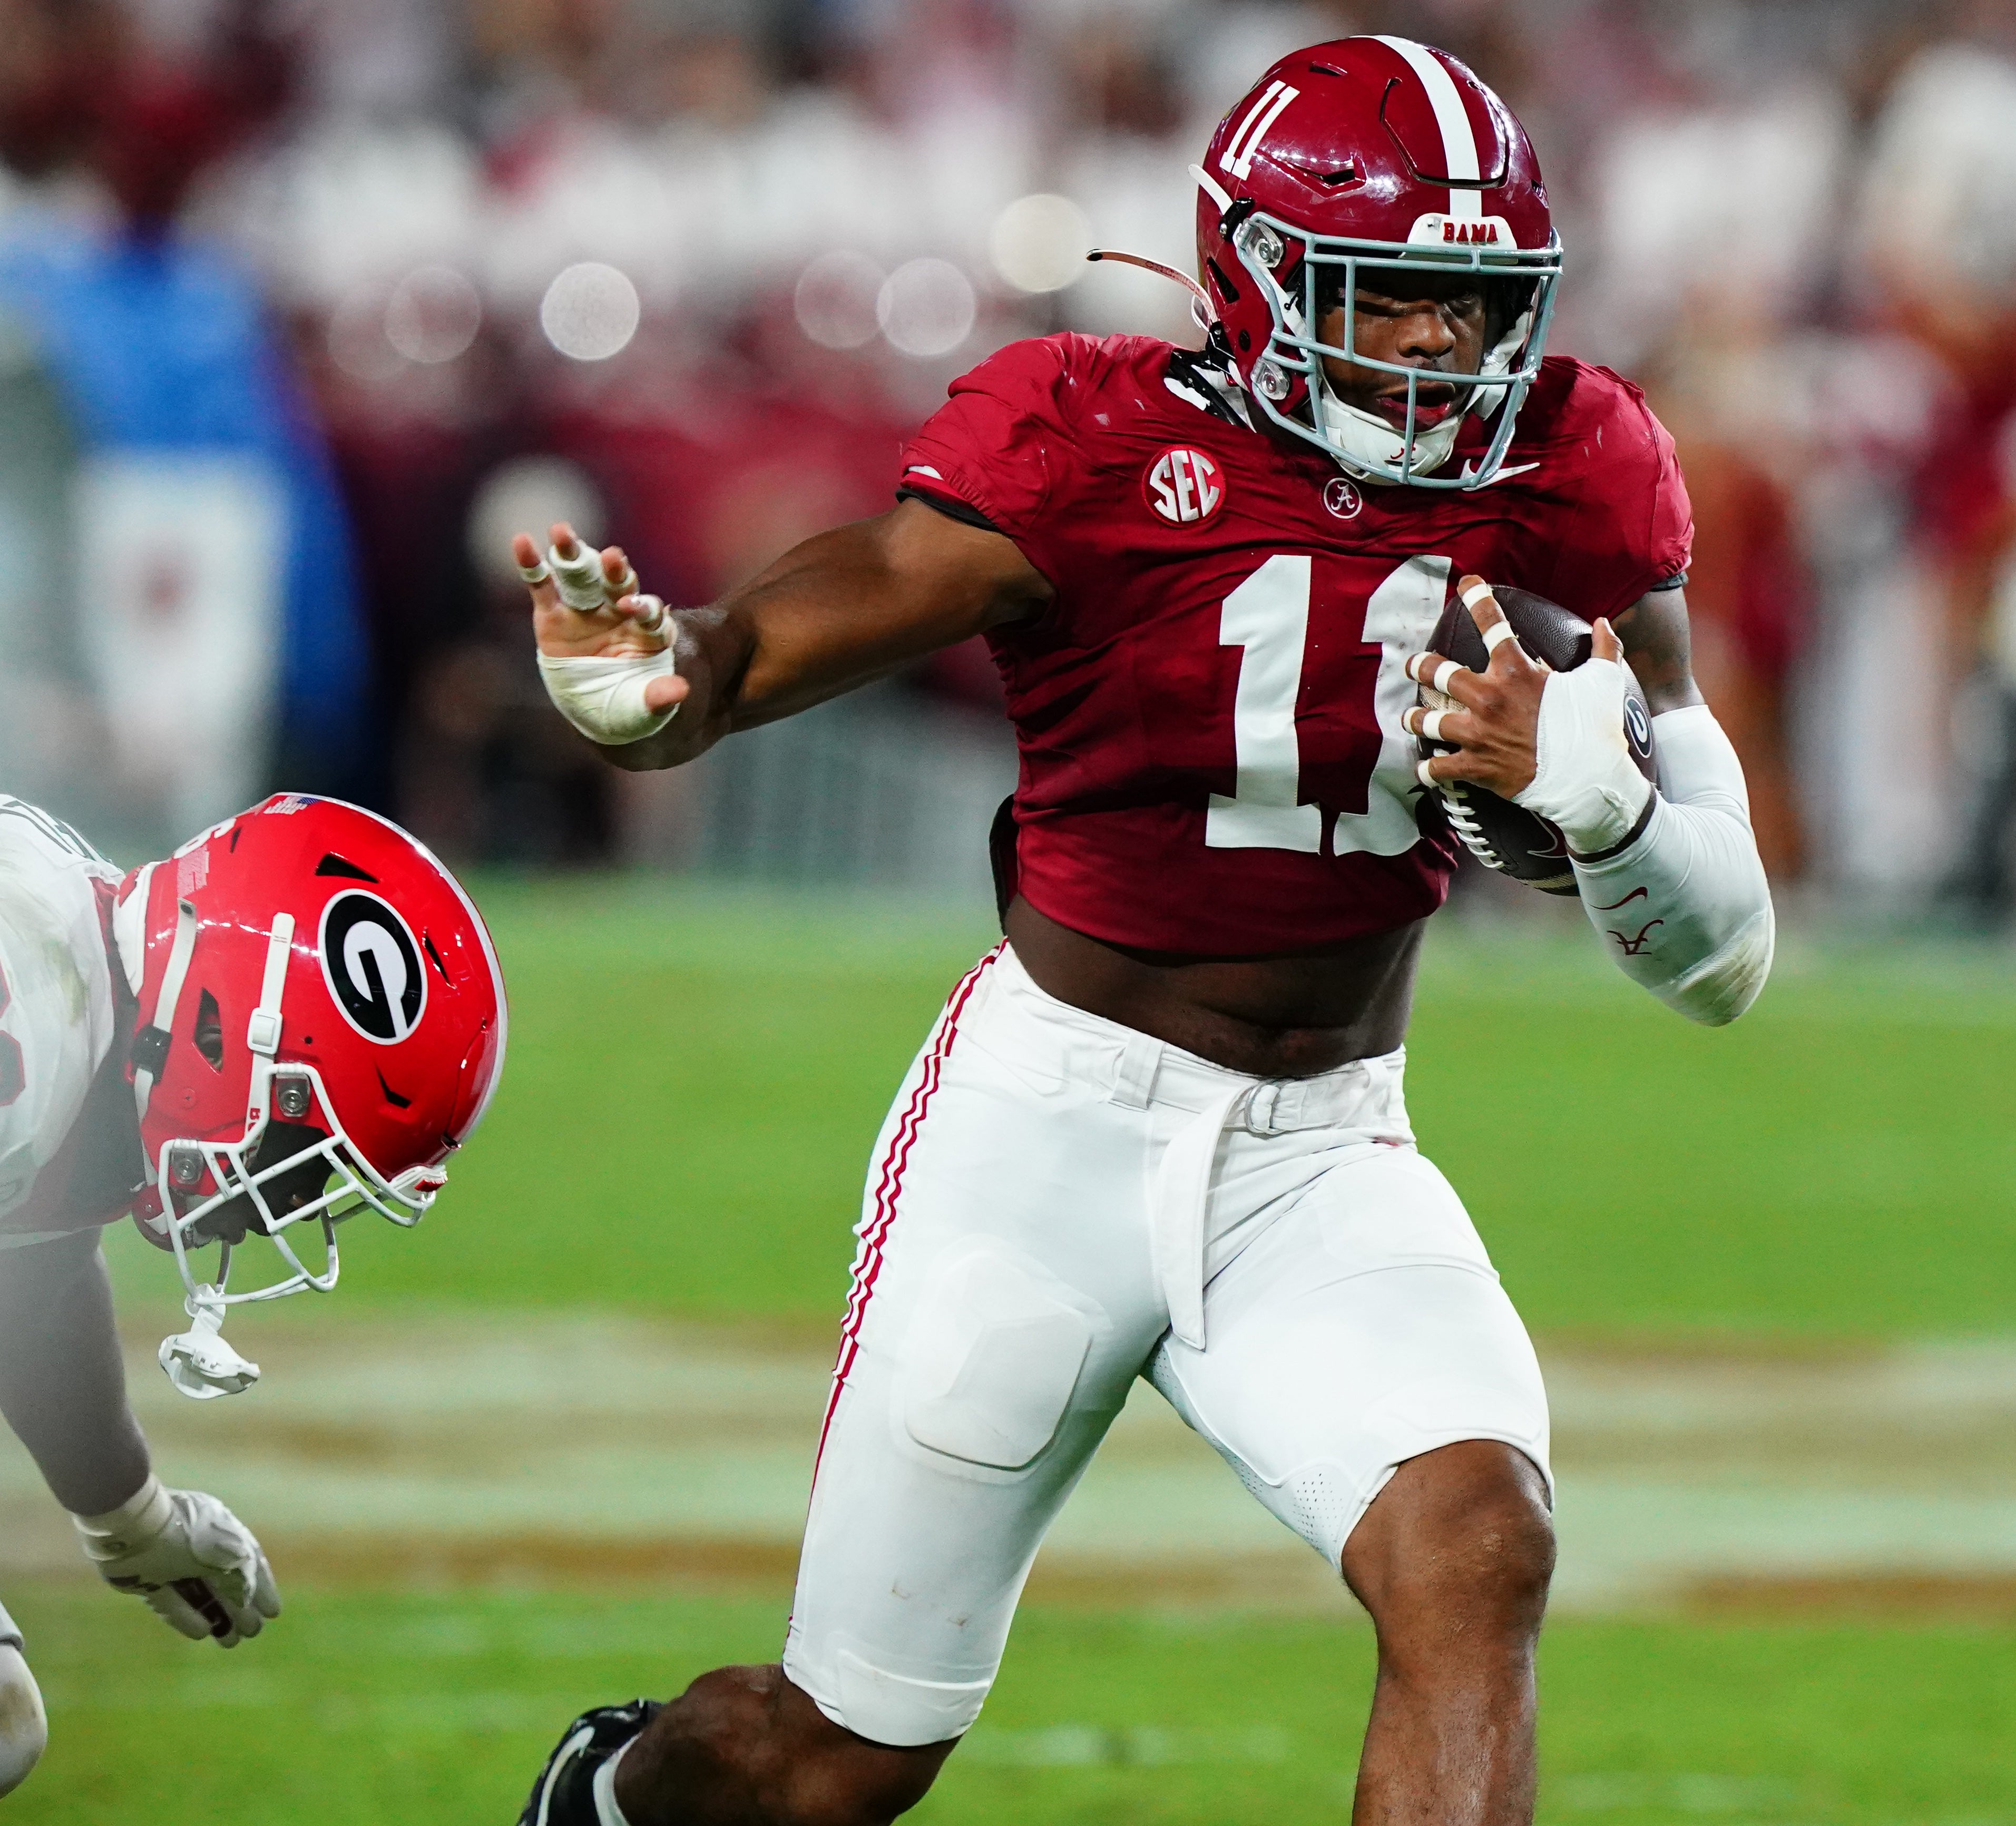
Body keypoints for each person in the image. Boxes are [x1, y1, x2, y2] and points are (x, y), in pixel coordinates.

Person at [512, 36, 1773, 1826]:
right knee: (837, 1760)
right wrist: (681, 676)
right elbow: (864, 586)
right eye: (1397, 292)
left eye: (1474, 304)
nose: (1440, 348)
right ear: (1261, 276)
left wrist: (1611, 807)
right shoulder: (1097, 435)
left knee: (1477, 1544)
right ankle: (615, 1795)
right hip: (1046, 1130)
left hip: (1327, 1147)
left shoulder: (1578, 470)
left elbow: (1726, 957)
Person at [0, 791, 507, 1826]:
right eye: (295, 1154)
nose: (279, 1200)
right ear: (221, 1020)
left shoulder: (87, 998)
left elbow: (33, 1263)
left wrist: (128, 1513)